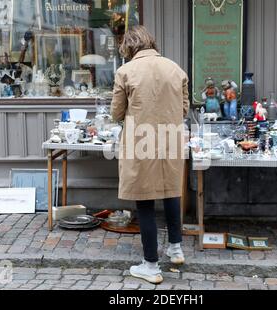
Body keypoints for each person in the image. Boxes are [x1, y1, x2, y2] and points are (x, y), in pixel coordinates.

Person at [110, 26, 189, 285]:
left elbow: (116, 113)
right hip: (170, 138)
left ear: (130, 47)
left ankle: (151, 266)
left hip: (140, 141)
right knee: (170, 191)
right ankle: (176, 248)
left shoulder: (125, 72)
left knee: (144, 201)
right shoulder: (176, 69)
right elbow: (184, 108)